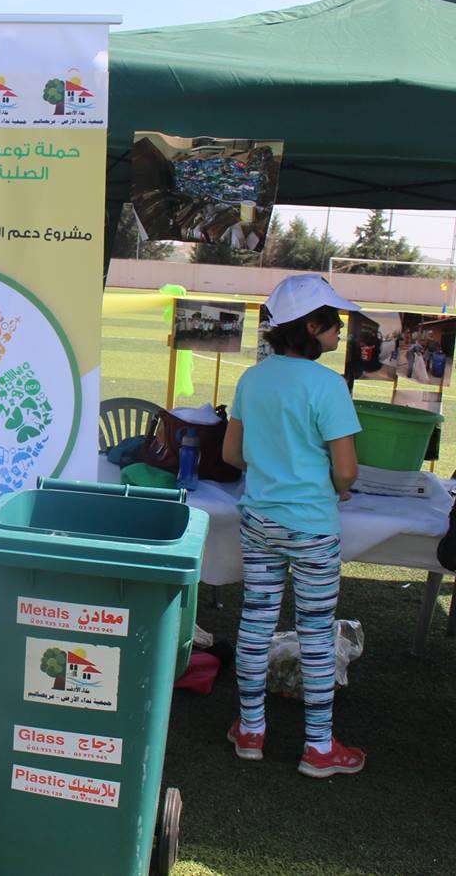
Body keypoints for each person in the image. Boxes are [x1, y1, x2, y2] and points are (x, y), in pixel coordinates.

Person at [222, 273, 366, 778]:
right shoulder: (328, 386)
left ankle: (251, 730)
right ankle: (318, 747)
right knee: (316, 633)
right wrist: (332, 484)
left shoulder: (252, 379)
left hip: (259, 520)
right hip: (313, 528)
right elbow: (346, 471)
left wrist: (273, 469)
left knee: (255, 624)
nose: (340, 330)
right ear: (310, 326)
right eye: (334, 322)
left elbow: (232, 453)